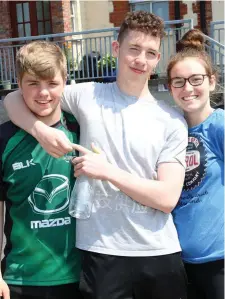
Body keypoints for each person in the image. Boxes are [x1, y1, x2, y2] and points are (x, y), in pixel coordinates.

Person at [4, 11, 188, 299]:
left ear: (157, 59)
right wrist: (40, 131)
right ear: (116, 49)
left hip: (158, 252)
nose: (141, 59)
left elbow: (166, 199)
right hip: (100, 253)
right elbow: (15, 96)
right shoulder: (86, 96)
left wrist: (106, 170)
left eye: (151, 53)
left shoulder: (172, 119)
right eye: (134, 49)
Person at [0, 41, 82, 299]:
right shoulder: (4, 140)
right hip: (21, 278)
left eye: (52, 83)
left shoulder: (82, 129)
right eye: (33, 83)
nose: (43, 93)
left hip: (81, 276)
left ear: (65, 81)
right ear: (19, 83)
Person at [167, 29, 224, 299]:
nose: (188, 89)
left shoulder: (219, 125)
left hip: (219, 262)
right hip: (180, 264)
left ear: (212, 81)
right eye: (178, 81)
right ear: (169, 87)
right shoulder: (170, 131)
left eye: (196, 79)